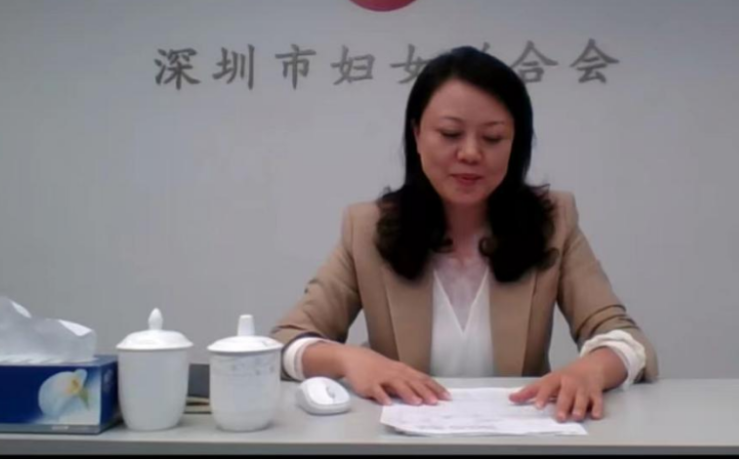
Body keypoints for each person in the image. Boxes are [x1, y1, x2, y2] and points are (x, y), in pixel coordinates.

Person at [270, 46, 658, 422]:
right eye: (450, 133)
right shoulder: (367, 227)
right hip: (402, 445)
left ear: (515, 144)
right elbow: (286, 342)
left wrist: (591, 370)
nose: (471, 153)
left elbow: (626, 340)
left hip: (517, 443)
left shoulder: (553, 222)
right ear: (417, 134)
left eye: (493, 138)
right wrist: (349, 359)